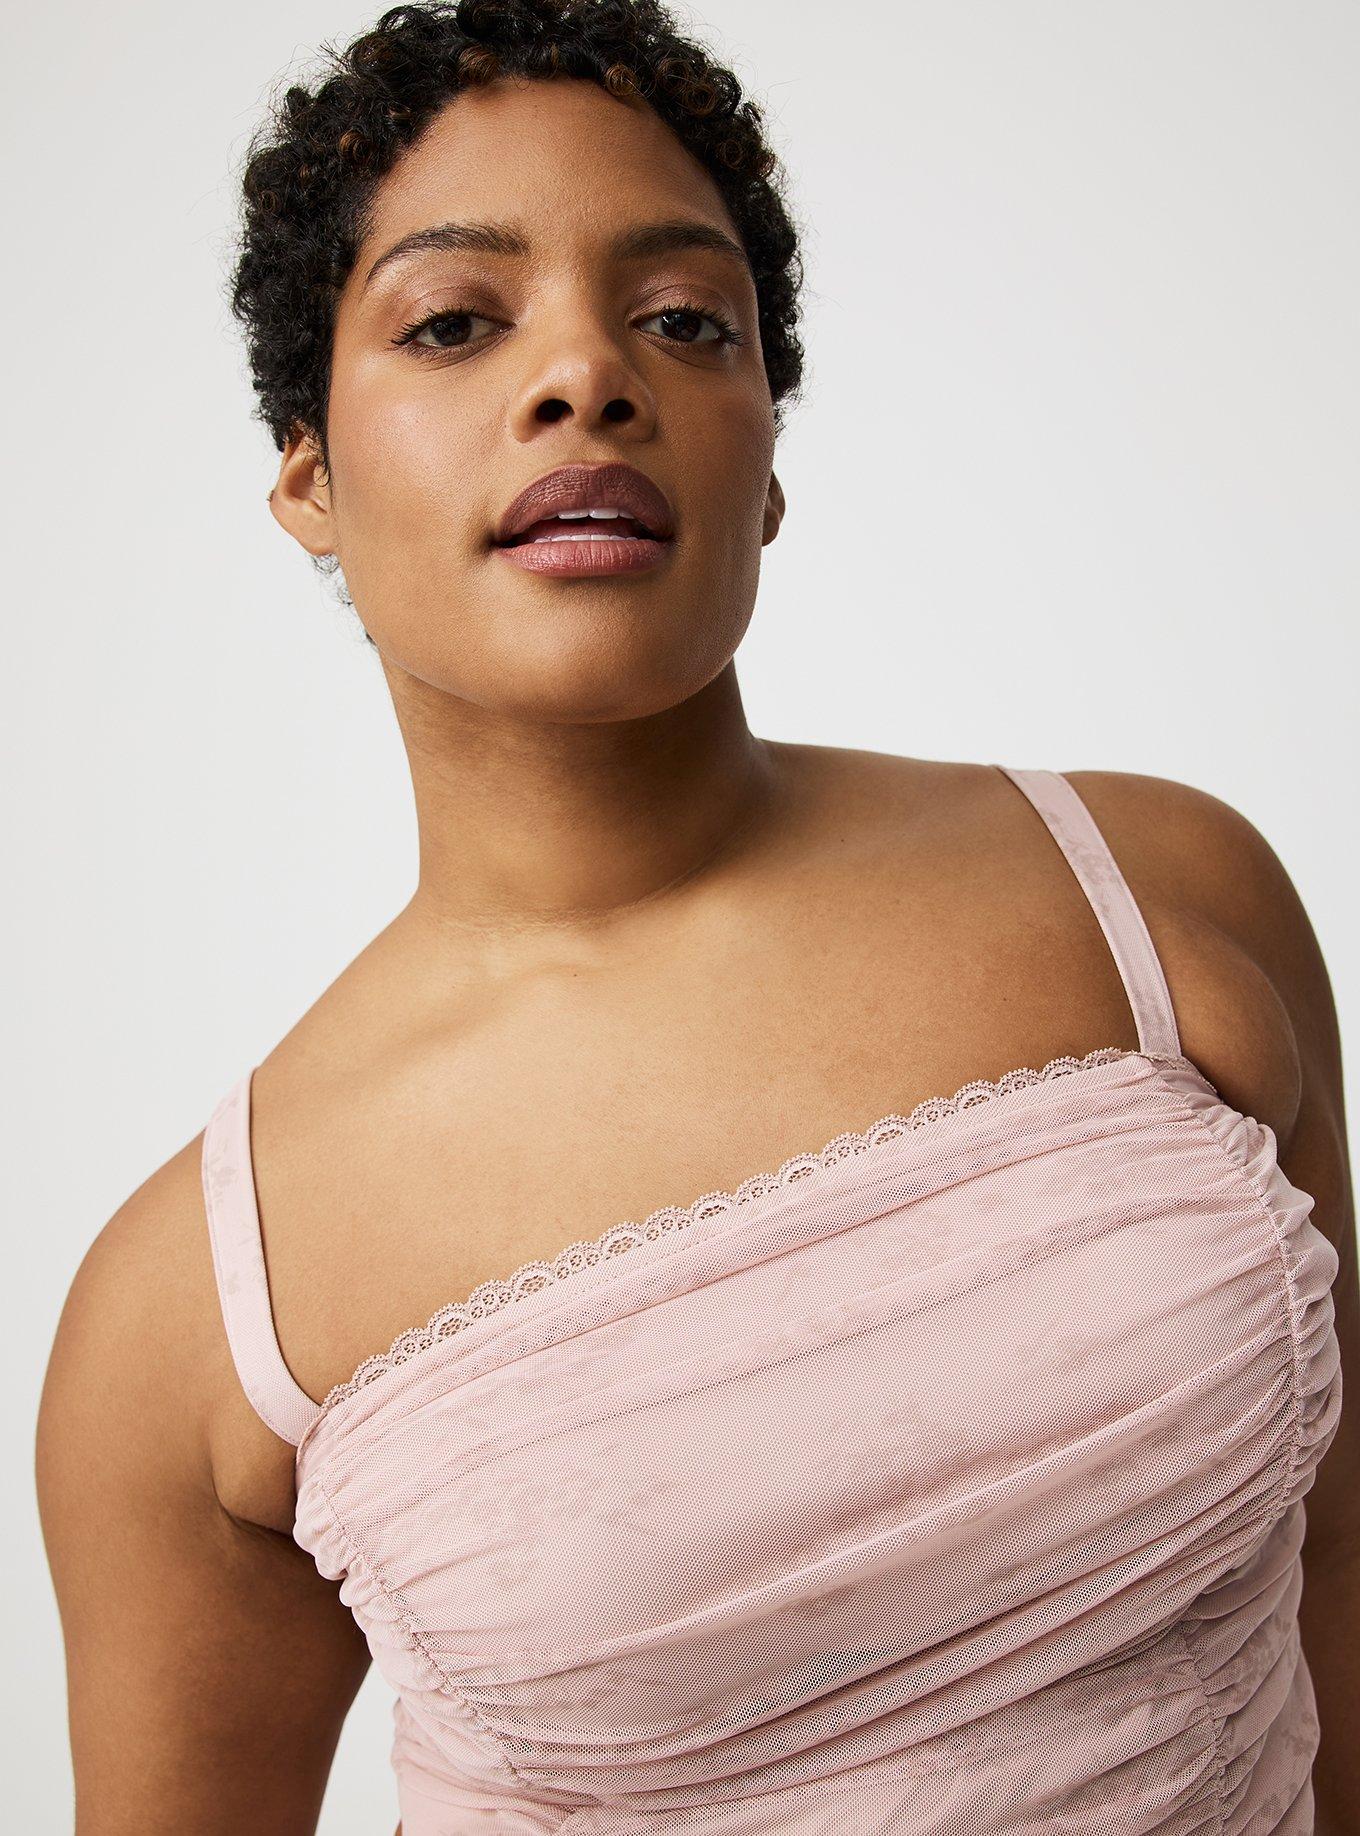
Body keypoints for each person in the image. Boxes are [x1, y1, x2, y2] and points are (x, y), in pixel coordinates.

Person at [36, 3, 1357, 1831]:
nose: (587, 374)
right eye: (454, 323)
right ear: (310, 477)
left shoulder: (1164, 893)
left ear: (767, 461)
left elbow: (1340, 1579)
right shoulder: (189, 1312)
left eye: (681, 320)